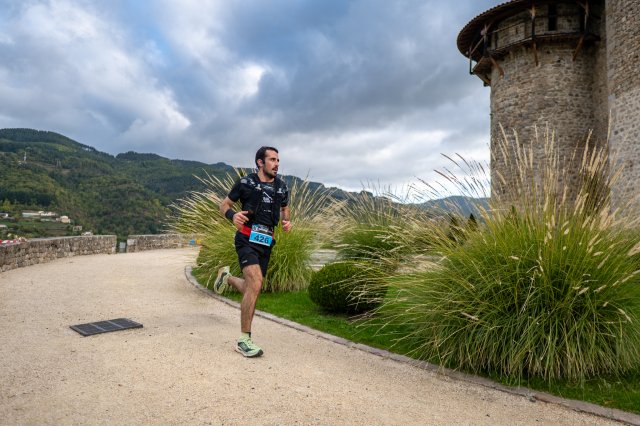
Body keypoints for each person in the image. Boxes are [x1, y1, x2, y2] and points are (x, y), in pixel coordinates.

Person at [214, 146, 292, 357]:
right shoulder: (245, 183)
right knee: (256, 282)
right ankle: (244, 340)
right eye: (272, 160)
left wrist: (286, 221)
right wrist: (232, 216)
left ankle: (227, 278)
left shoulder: (282, 187)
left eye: (278, 160)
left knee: (253, 286)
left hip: (267, 242)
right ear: (260, 162)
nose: (277, 164)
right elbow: (224, 205)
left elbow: (285, 209)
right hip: (246, 239)